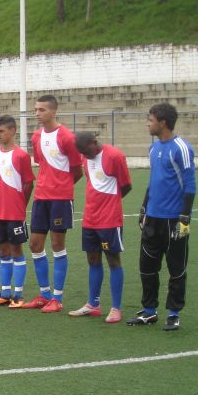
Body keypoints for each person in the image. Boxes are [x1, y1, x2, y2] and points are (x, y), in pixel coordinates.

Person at [127, 103, 195, 331]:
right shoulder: (153, 148)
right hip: (153, 219)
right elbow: (154, 181)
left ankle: (174, 313)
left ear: (162, 122)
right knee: (147, 267)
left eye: (151, 119)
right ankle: (149, 311)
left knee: (176, 269)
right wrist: (144, 207)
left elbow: (190, 185)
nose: (148, 123)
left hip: (173, 220)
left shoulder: (181, 148)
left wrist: (184, 217)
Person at [24, 95, 83, 312]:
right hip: (41, 197)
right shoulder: (36, 136)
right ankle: (44, 294)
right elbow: (41, 163)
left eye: (41, 110)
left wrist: (63, 187)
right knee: (35, 244)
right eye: (36, 109)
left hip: (60, 199)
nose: (37, 113)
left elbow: (78, 170)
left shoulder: (67, 137)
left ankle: (57, 299)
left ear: (53, 111)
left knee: (58, 244)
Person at [68, 132, 131, 324]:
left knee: (113, 261)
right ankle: (93, 304)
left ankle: (116, 308)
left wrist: (110, 204)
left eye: (86, 151)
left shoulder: (114, 156)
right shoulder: (86, 158)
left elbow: (126, 186)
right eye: (81, 153)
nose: (85, 156)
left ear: (94, 143)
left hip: (109, 220)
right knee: (93, 260)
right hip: (90, 219)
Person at [0, 115, 35, 307]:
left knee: (16, 250)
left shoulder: (21, 156)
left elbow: (28, 183)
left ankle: (18, 295)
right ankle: (5, 292)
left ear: (12, 131)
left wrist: (21, 204)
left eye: (2, 131)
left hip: (15, 213)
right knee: (2, 250)